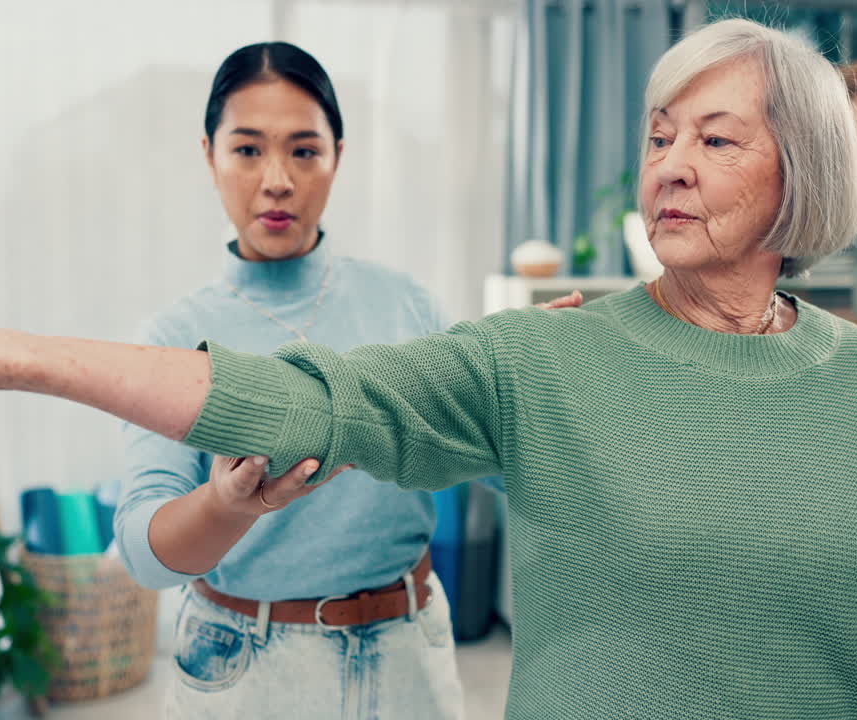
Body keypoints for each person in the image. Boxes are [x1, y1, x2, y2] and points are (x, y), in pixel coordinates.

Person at [0, 19, 857, 719]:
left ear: (799, 173)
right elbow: (310, 400)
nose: (669, 164)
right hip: (245, 655)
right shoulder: (537, 353)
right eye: (656, 136)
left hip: (400, 644)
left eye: (712, 139)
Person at [114, 41, 576, 719]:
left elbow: (501, 461)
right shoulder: (174, 336)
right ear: (208, 154)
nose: (277, 179)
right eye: (247, 150)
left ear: (338, 155)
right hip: (244, 662)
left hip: (408, 648)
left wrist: (534, 378)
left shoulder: (405, 304)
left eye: (305, 150)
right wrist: (225, 506)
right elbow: (142, 552)